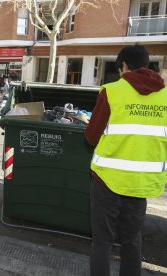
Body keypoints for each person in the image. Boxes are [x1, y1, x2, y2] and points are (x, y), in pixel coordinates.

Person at [85, 44, 167, 276]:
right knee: (132, 240)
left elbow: (91, 137)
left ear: (124, 66)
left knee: (102, 242)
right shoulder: (165, 97)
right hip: (141, 184)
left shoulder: (112, 91)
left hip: (107, 181)